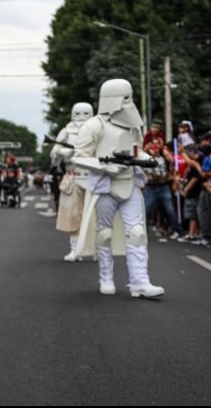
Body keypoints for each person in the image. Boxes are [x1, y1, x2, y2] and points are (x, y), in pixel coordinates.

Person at [73, 79, 164, 298]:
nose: (127, 102)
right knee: (104, 234)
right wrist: (105, 166)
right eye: (124, 97)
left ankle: (140, 283)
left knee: (137, 232)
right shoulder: (95, 125)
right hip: (105, 185)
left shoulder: (133, 124)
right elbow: (80, 157)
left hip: (129, 182)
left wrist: (148, 159)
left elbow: (137, 150)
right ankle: (106, 277)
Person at [51, 102, 94, 261]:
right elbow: (54, 154)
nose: (81, 117)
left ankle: (95, 249)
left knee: (94, 215)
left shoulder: (97, 129)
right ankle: (75, 249)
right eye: (78, 113)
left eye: (85, 113)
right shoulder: (66, 131)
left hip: (93, 175)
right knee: (73, 215)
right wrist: (65, 152)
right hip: (73, 175)